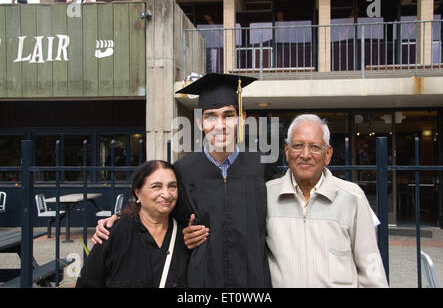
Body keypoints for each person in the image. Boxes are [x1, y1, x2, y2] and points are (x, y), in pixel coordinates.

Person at [92, 73, 274, 288]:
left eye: (229, 115)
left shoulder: (262, 165)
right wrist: (117, 219)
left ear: (242, 118)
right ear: (199, 122)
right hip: (202, 282)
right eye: (211, 116)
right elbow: (159, 209)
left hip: (253, 281)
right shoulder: (183, 171)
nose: (220, 125)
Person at [265, 114, 388, 287]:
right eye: (298, 146)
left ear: (328, 154)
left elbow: (371, 271)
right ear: (287, 151)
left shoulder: (352, 197)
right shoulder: (267, 196)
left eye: (314, 147)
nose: (306, 154)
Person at [76, 160, 189, 288]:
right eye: (156, 186)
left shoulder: (185, 234)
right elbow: (88, 282)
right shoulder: (113, 233)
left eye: (172, 186)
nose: (166, 194)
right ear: (137, 192)